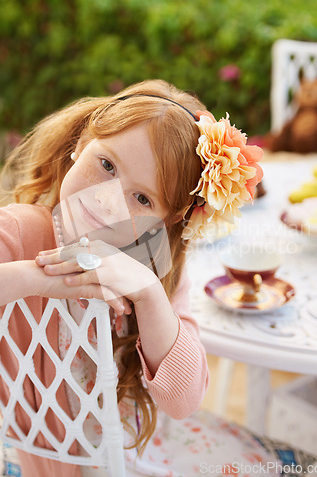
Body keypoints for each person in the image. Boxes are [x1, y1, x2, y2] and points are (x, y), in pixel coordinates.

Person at [0, 79, 264, 477]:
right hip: (41, 461)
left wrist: (151, 295)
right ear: (81, 141)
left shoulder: (154, 264)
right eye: (106, 165)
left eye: (142, 199)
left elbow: (184, 400)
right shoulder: (19, 230)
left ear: (170, 219)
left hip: (129, 452)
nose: (108, 202)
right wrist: (35, 278)